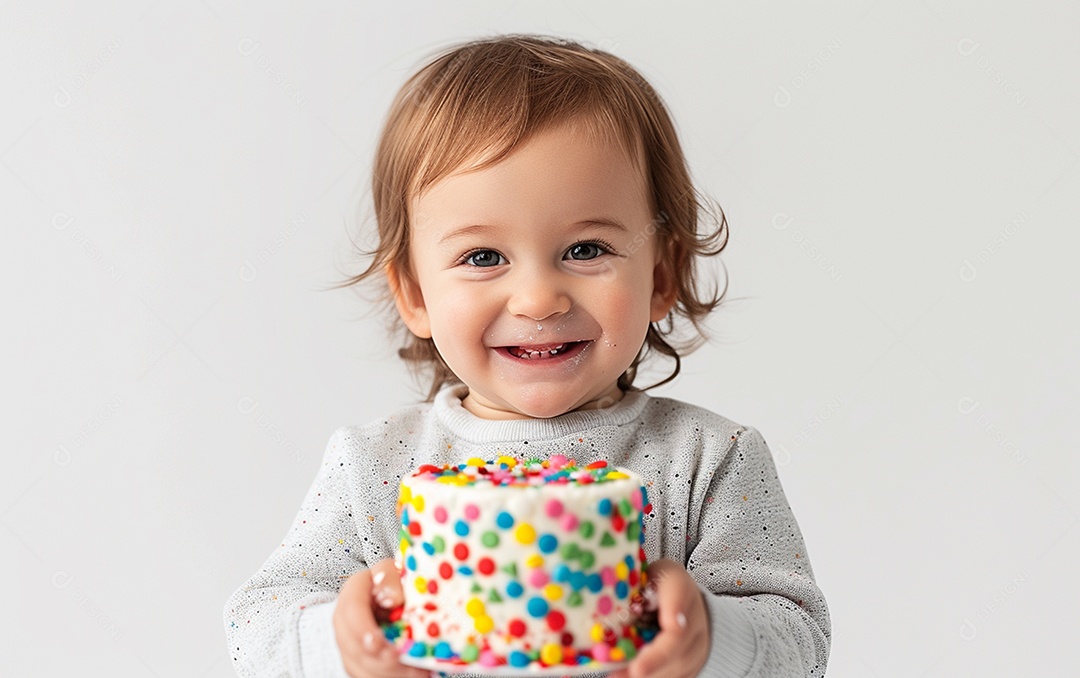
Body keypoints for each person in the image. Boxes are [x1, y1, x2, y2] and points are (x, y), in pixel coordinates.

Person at [224, 34, 830, 678]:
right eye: (484, 257)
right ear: (414, 293)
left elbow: (800, 643)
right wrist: (338, 643)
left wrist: (709, 637)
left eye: (587, 248)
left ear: (660, 276)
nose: (539, 298)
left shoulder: (710, 460)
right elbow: (254, 627)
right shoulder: (373, 470)